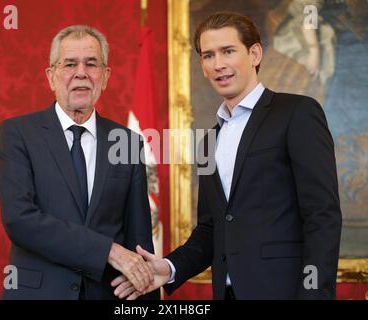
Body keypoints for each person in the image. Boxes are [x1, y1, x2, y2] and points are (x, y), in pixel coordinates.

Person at [112, 12, 342, 300]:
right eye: (208, 56)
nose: (218, 64)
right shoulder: (209, 140)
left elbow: (322, 216)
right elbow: (211, 230)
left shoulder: (297, 113)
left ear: (255, 53)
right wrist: (169, 268)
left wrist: (314, 295)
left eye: (228, 51)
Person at [0, 25, 159, 300]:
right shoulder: (18, 134)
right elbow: (19, 219)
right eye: (70, 63)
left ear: (105, 77)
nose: (81, 73)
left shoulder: (128, 142)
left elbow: (139, 240)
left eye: (91, 64)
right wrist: (108, 250)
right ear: (51, 76)